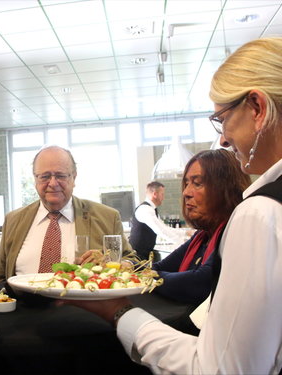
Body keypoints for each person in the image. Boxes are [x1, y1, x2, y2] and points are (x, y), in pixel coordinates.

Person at [59, 37, 282, 374]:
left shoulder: (259, 214)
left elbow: (220, 369)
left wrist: (117, 311)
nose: (222, 137)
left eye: (222, 119)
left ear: (257, 108)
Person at [0, 145, 132, 281]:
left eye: (60, 176)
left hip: (81, 301)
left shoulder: (107, 218)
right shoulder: (13, 220)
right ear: (35, 179)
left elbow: (133, 261)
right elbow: (2, 278)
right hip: (23, 301)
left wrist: (110, 264)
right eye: (45, 176)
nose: (53, 183)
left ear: (74, 177)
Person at [150, 149, 251, 305]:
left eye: (197, 183)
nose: (186, 192)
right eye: (186, 184)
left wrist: (148, 276)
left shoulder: (234, 230)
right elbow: (161, 266)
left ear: (225, 189)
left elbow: (199, 283)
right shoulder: (202, 236)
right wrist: (130, 266)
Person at [129, 181, 186, 260]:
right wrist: (181, 243)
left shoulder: (152, 209)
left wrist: (185, 233)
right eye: (162, 194)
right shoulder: (145, 209)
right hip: (137, 256)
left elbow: (164, 228)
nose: (163, 197)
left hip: (144, 254)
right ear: (155, 194)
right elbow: (160, 230)